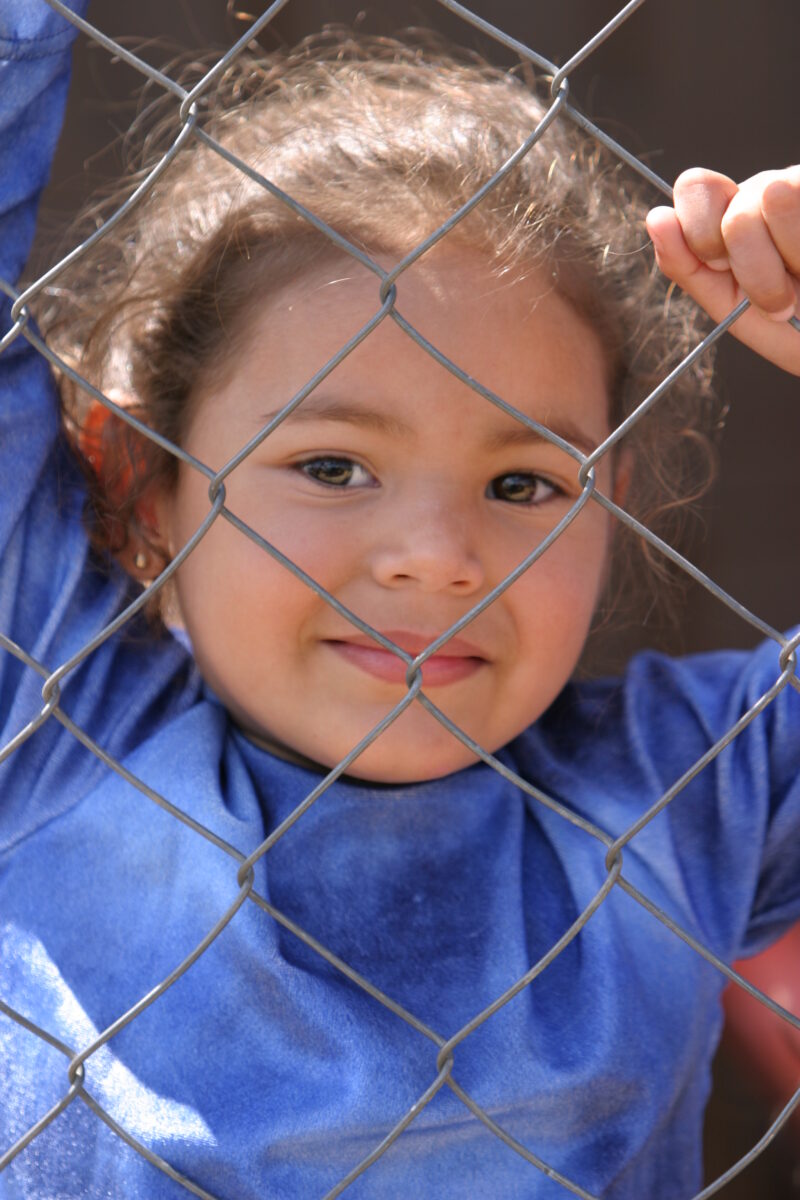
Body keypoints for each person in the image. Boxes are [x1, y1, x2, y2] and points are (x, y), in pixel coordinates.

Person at [0, 2, 798, 1198]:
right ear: (142, 488)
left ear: (614, 500)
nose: (437, 557)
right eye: (331, 467)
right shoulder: (57, 725)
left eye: (524, 482)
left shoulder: (682, 797)